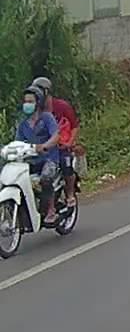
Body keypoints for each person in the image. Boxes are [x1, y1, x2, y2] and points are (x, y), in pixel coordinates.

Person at [16, 86, 61, 223]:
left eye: (30, 101)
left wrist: (45, 146)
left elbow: (56, 136)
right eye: (25, 101)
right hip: (30, 160)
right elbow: (18, 141)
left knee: (46, 178)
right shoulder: (22, 123)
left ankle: (51, 210)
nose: (27, 104)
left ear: (38, 103)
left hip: (49, 159)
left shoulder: (46, 118)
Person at [32, 76, 79, 205]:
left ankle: (70, 194)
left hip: (61, 147)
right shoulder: (34, 110)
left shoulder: (62, 106)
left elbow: (74, 126)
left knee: (66, 166)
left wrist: (69, 142)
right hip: (43, 148)